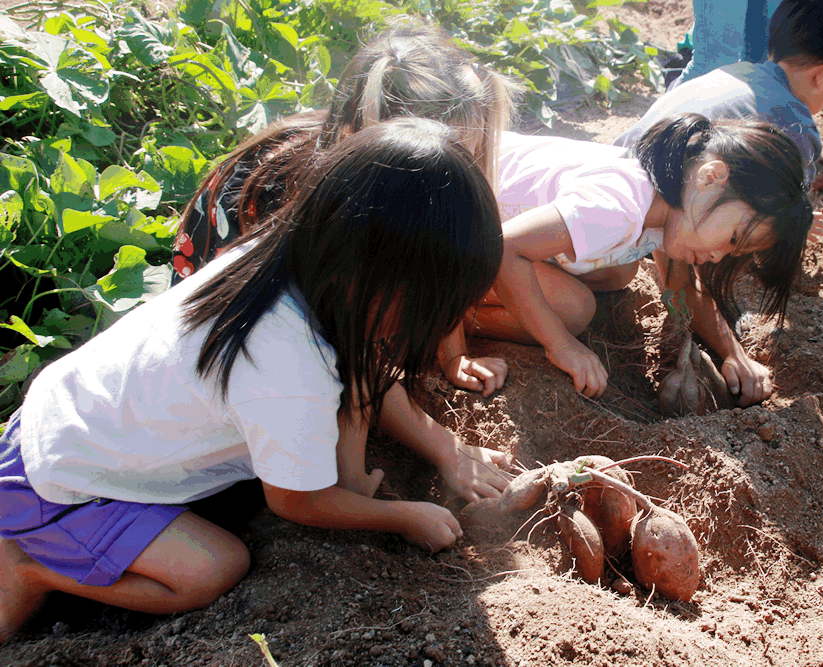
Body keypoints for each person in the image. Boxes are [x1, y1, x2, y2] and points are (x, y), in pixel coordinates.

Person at [0, 119, 511, 642]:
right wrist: (403, 517)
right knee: (214, 568)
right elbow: (296, 502)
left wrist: (437, 452)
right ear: (381, 280)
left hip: (63, 420)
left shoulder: (289, 262)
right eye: (437, 308)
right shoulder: (285, 367)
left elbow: (362, 372)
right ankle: (30, 567)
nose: (441, 325)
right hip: (57, 488)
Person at [169, 21, 521, 398]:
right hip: (227, 340)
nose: (461, 169)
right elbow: (342, 353)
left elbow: (440, 245)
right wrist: (444, 450)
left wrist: (454, 355)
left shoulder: (378, 170)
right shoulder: (319, 197)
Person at [441, 114, 812, 404]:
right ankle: (442, 320)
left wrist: (733, 354)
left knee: (620, 271)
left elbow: (681, 288)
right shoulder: (618, 208)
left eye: (735, 251)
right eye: (732, 238)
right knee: (574, 311)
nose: (719, 255)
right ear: (710, 177)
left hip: (482, 224)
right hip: (439, 222)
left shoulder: (669, 204)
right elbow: (505, 248)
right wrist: (562, 345)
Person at [614, 0, 823, 187]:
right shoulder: (795, 122)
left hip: (614, 171)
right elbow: (789, 209)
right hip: (653, 206)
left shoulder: (733, 71)